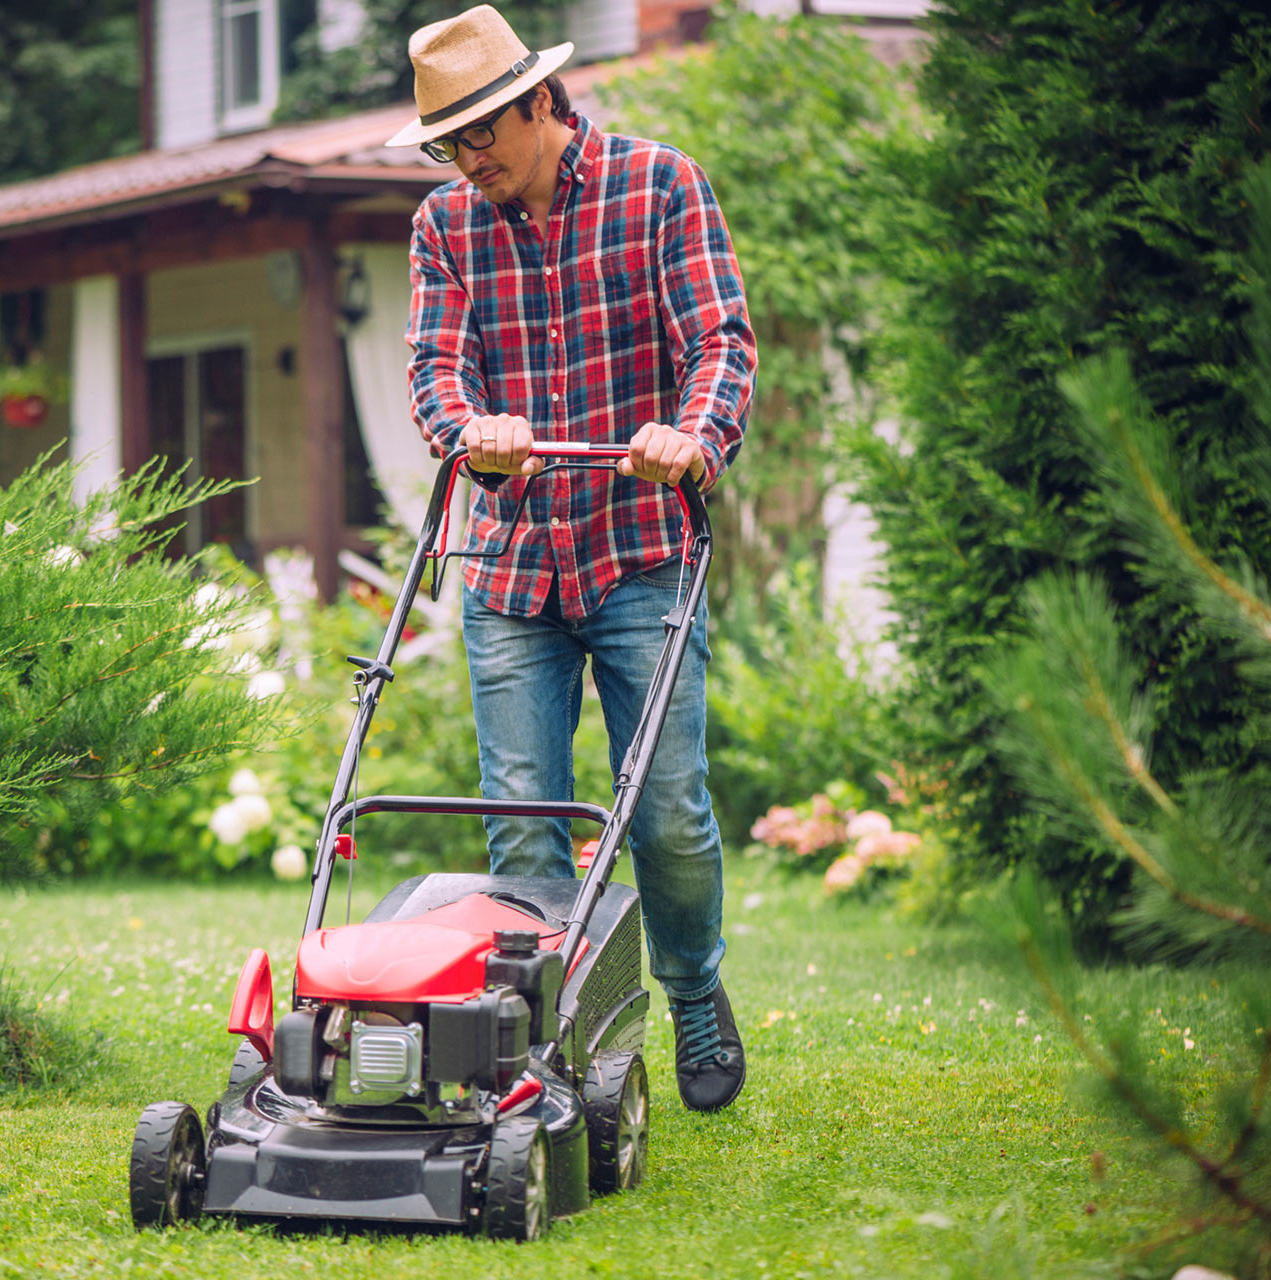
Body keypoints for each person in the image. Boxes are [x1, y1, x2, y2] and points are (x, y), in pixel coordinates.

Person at [387, 4, 756, 1112]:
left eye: (481, 137)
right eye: (450, 146)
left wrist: (692, 433)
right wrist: (471, 436)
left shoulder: (659, 187)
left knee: (669, 807)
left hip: (641, 548)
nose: (470, 162)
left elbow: (721, 340)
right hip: (512, 568)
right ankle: (538, 1042)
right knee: (522, 815)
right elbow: (433, 371)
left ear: (541, 102)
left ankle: (693, 989)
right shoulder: (446, 227)